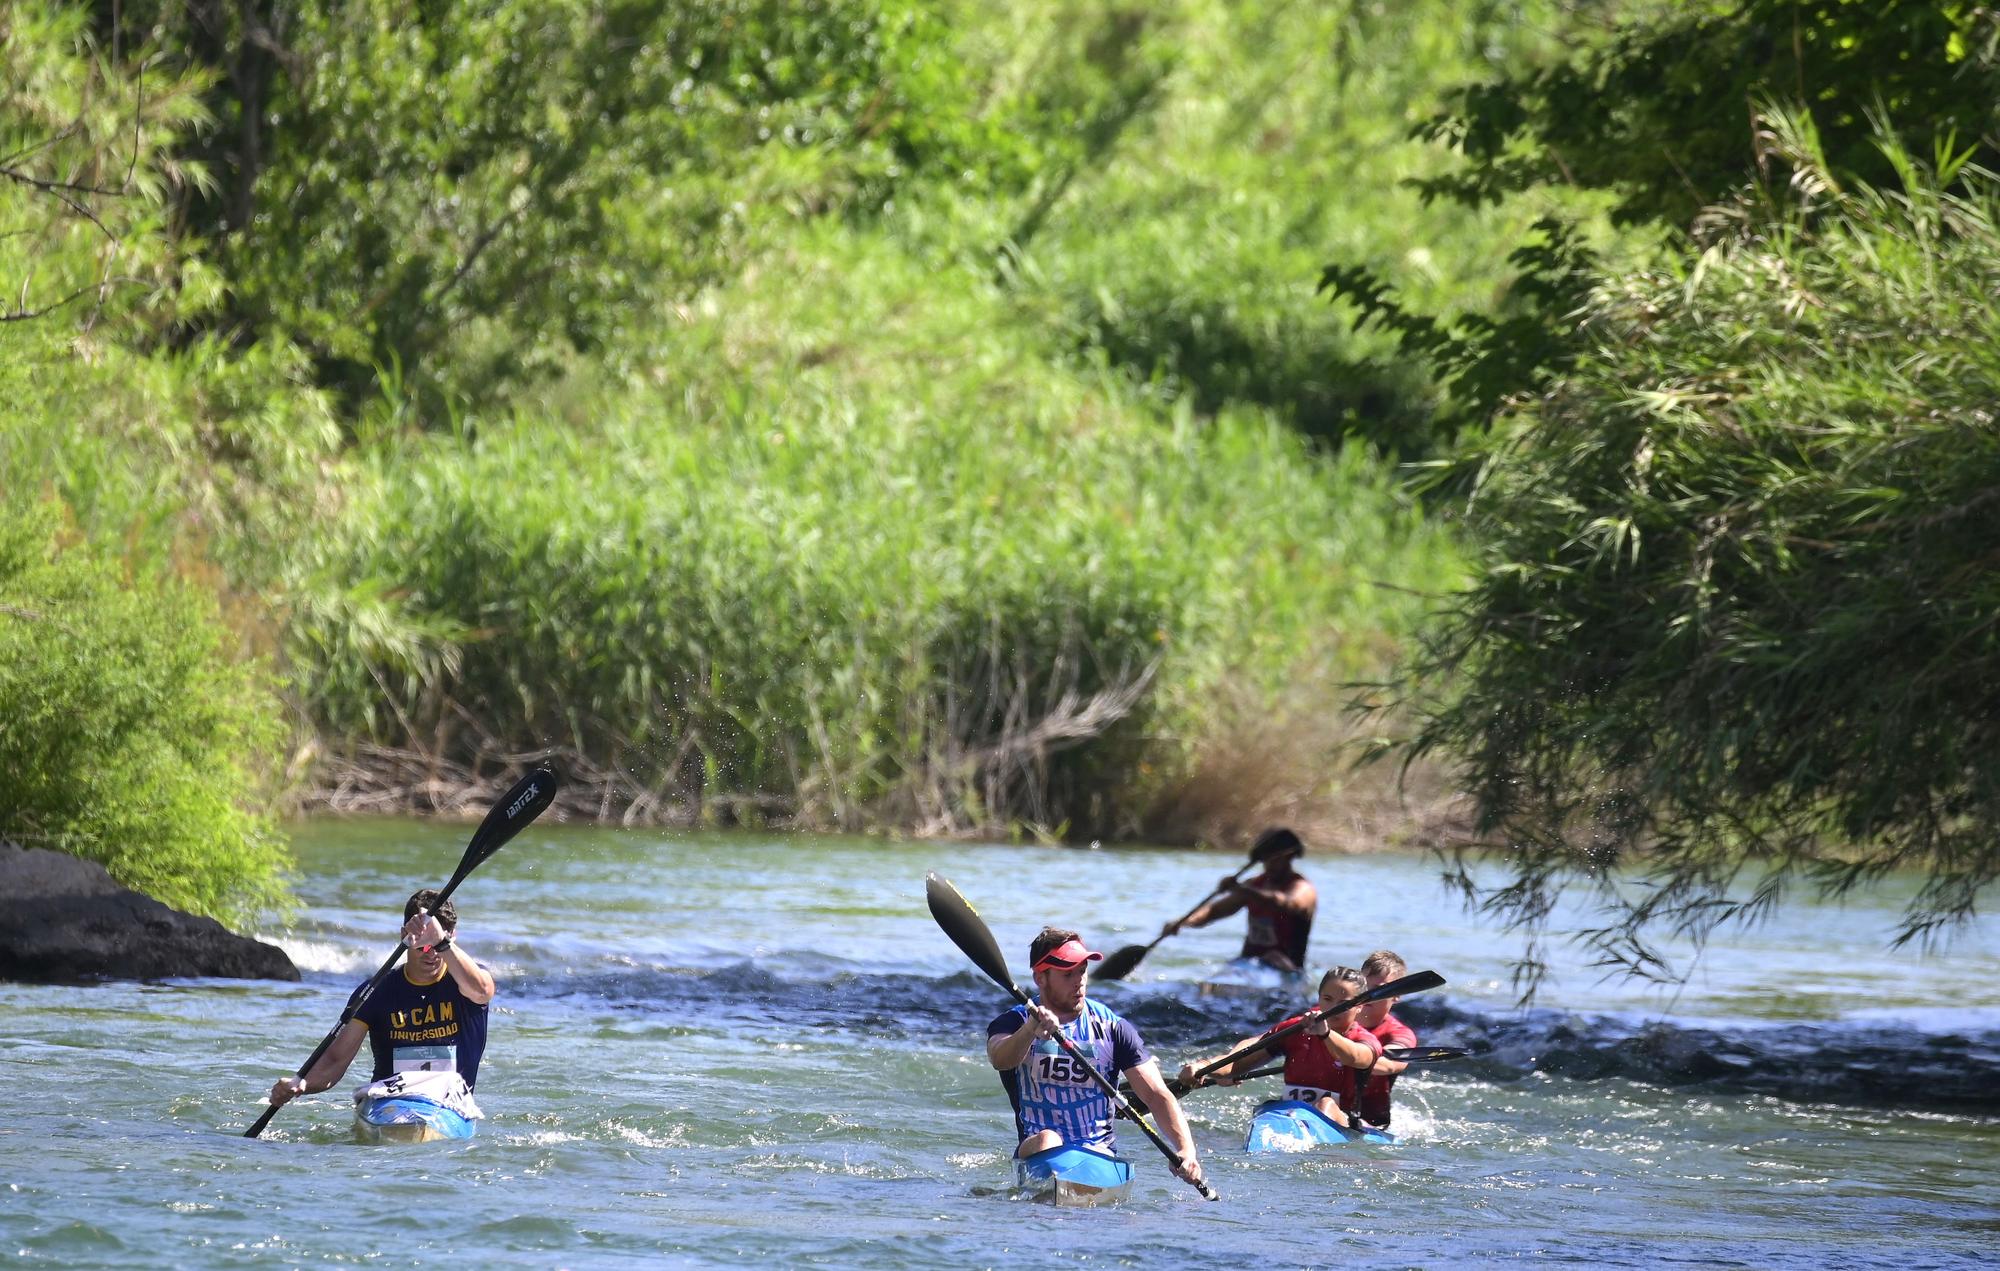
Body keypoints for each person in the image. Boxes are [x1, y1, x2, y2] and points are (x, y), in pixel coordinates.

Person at [987, 927, 1204, 1187]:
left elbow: (1156, 1094)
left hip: (1097, 1155)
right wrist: (1030, 1030)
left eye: (1082, 970)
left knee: (1098, 1154)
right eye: (1068, 974)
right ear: (1040, 978)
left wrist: (1186, 1150)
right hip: (1036, 1152)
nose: (1079, 980)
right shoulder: (1014, 1021)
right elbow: (1000, 1058)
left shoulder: (1112, 1028)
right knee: (1048, 1140)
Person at [265, 889, 497, 1114]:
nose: (431, 953)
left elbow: (481, 991)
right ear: (403, 935)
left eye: (436, 944)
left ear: (451, 938)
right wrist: (302, 1085)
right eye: (423, 944)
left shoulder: (468, 981)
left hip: (450, 1108)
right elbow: (335, 1061)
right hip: (389, 1105)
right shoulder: (375, 991)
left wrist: (441, 942)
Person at [1175, 966, 1382, 1130]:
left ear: (1359, 1006)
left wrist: (1326, 1034)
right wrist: (1203, 1066)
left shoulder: (1364, 1040)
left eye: (1344, 1003)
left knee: (1326, 1105)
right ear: (1318, 999)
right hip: (1291, 1116)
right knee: (1268, 1108)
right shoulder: (1296, 1028)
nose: (1333, 1008)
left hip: (1344, 1123)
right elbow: (1239, 1060)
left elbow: (1356, 1057)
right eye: (1327, 999)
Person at [1162, 826, 1317, 974]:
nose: (1269, 865)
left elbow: (1286, 903)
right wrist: (1183, 922)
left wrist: (1241, 889)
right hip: (1248, 964)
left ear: (1290, 857)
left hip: (1287, 969)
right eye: (1265, 859)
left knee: (1274, 958)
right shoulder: (1254, 885)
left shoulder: (1303, 889)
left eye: (1275, 859)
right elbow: (1213, 911)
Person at [1353, 948, 1417, 1127]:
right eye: (1364, 987)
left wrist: (1336, 1049)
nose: (1368, 995)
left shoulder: (1400, 1034)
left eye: (1378, 990)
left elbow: (1388, 1064)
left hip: (1367, 1121)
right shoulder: (1326, 1018)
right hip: (1310, 1106)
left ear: (1397, 995)